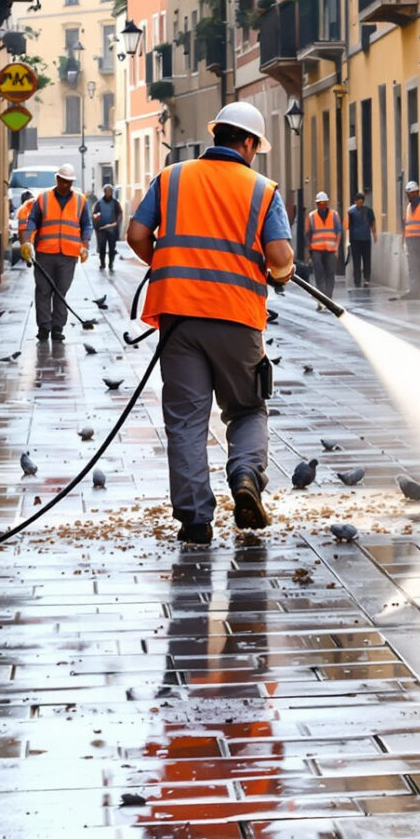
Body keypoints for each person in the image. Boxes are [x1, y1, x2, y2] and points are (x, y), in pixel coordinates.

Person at [125, 102, 296, 546]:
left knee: (186, 419)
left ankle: (195, 520)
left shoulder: (172, 178)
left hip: (179, 318)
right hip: (237, 317)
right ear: (249, 143)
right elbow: (280, 257)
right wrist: (280, 273)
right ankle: (245, 475)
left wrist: (166, 263)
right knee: (246, 408)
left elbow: (137, 235)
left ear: (216, 134)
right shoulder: (261, 190)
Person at [17, 166, 91, 342]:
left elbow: (87, 224)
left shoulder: (80, 200)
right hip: (45, 253)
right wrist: (27, 241)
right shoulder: (43, 198)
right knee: (43, 290)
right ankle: (44, 327)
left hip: (69, 254)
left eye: (69, 182)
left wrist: (84, 244)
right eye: (63, 181)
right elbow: (32, 220)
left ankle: (58, 328)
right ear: (57, 179)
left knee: (60, 291)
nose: (66, 185)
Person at [304, 191, 342, 298]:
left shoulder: (334, 215)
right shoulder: (311, 216)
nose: (322, 205)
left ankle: (328, 297)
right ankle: (321, 298)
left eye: (324, 203)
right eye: (320, 203)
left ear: (327, 203)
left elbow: (338, 232)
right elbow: (307, 234)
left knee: (330, 274)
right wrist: (310, 251)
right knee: (319, 275)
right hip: (316, 250)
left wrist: (337, 248)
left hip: (330, 250)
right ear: (317, 204)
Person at [346, 192, 377, 288]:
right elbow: (348, 226)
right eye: (358, 202)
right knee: (356, 261)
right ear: (355, 202)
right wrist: (347, 239)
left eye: (361, 202)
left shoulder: (368, 211)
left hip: (366, 239)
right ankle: (357, 280)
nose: (360, 204)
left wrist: (374, 234)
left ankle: (367, 279)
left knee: (367, 260)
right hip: (355, 239)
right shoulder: (351, 212)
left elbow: (372, 222)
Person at [91, 185, 125, 273]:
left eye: (110, 191)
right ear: (105, 192)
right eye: (107, 191)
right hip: (102, 229)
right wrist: (96, 219)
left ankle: (111, 264)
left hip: (112, 230)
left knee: (112, 248)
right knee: (102, 247)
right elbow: (94, 214)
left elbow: (120, 214)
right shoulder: (99, 203)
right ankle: (102, 263)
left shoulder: (115, 203)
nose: (109, 192)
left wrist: (117, 223)